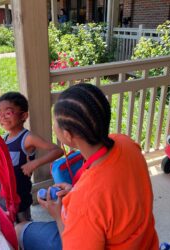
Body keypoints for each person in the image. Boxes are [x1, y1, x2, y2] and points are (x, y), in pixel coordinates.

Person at [15, 83, 159, 249]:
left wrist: (59, 217)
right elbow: (111, 193)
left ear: (67, 136)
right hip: (146, 243)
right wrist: (75, 192)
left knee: (19, 230)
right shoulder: (126, 143)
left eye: (55, 123)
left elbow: (95, 200)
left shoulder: (84, 204)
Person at [0, 92, 63, 223]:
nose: (2, 117)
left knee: (23, 227)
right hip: (0, 196)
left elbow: (57, 150)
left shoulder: (27, 138)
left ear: (23, 116)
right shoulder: (4, 138)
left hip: (19, 197)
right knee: (5, 228)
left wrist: (35, 163)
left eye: (8, 113)